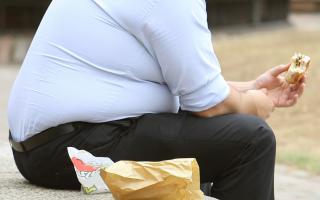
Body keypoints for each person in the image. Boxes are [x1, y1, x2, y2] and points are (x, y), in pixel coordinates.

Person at [7, 0, 305, 199]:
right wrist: (253, 105)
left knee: (207, 138)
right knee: (251, 140)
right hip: (72, 149)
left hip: (47, 145)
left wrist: (250, 88)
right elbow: (208, 104)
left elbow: (190, 88)